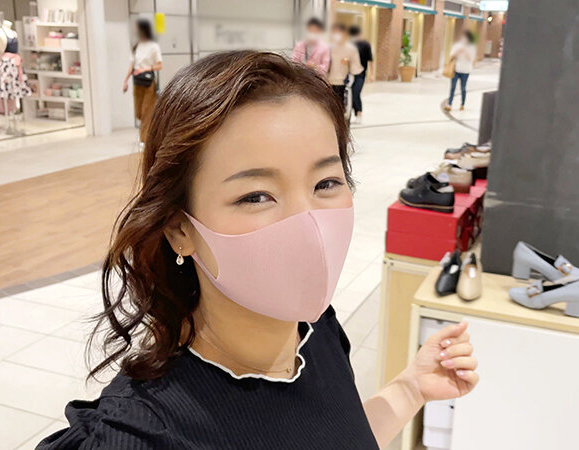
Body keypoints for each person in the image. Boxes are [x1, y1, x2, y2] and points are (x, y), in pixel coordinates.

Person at [36, 51, 479, 449]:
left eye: (326, 183)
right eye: (256, 196)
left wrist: (410, 388)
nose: (307, 222)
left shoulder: (315, 330)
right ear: (179, 229)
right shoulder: (139, 433)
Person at [123, 19, 163, 140]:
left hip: (149, 83)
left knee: (147, 112)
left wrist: (144, 69)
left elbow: (159, 65)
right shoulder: (136, 47)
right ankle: (151, 132)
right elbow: (131, 66)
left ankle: (144, 139)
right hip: (137, 82)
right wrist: (125, 81)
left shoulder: (153, 46)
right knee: (139, 113)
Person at [327, 23, 363, 121]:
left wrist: (348, 63)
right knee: (329, 107)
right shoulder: (329, 47)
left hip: (343, 83)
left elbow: (356, 68)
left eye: (338, 32)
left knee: (342, 108)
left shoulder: (351, 49)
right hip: (327, 81)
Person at [445, 30, 477, 111]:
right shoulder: (457, 46)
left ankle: (462, 104)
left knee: (463, 88)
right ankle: (449, 104)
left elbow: (471, 59)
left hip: (466, 71)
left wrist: (465, 52)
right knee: (453, 87)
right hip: (456, 69)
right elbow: (451, 55)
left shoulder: (472, 47)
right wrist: (458, 52)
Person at [348, 25, 373, 124]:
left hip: (361, 74)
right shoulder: (350, 44)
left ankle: (359, 114)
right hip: (349, 73)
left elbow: (370, 60)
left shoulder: (366, 45)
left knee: (356, 93)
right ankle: (349, 114)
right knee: (349, 94)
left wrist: (372, 74)